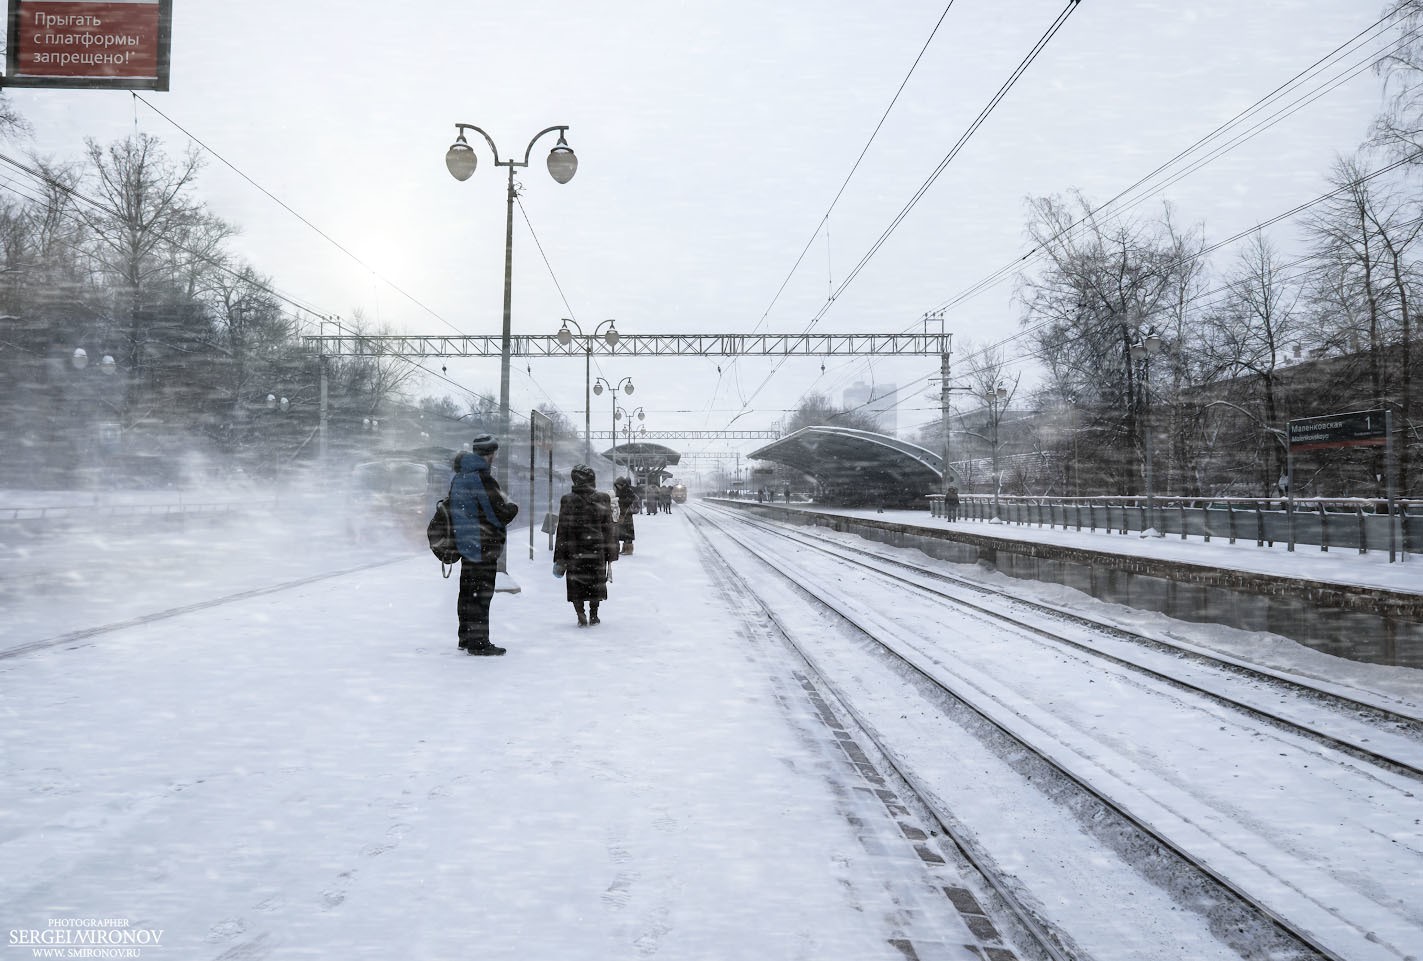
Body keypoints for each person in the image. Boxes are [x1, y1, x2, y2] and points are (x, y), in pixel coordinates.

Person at [449, 434, 519, 656]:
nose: (495, 458)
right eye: (494, 454)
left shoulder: (459, 477)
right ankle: (478, 642)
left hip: (466, 543)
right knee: (481, 594)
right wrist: (512, 508)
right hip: (483, 544)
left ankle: (465, 636)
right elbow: (497, 513)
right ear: (490, 454)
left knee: (467, 591)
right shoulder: (482, 479)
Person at [552, 464, 618, 627]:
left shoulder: (567, 500)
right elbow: (608, 528)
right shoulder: (603, 498)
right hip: (597, 549)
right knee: (595, 581)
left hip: (574, 549)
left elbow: (562, 529)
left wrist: (560, 555)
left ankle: (580, 612)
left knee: (576, 583)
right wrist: (611, 553)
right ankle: (594, 614)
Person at [612, 476, 638, 554]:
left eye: (619, 485)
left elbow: (633, 499)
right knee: (622, 532)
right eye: (617, 485)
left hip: (627, 513)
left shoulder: (628, 491)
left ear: (623, 484)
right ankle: (624, 548)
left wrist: (625, 502)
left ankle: (629, 549)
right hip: (621, 513)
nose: (618, 487)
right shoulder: (618, 491)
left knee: (628, 532)